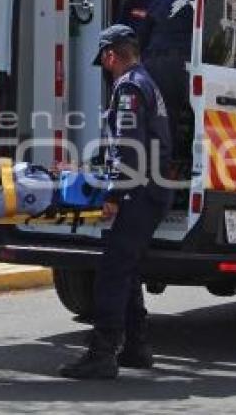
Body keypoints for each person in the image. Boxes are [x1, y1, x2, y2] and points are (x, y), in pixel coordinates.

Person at [59, 24, 173, 380]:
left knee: (111, 272)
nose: (106, 67)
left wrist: (114, 194)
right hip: (150, 188)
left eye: (105, 60)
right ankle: (136, 347)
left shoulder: (129, 88)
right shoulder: (145, 81)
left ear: (111, 55)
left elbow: (128, 147)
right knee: (127, 268)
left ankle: (102, 354)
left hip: (138, 190)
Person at [137, 0, 195, 163]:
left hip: (158, 63)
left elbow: (143, 32)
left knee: (161, 121)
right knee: (197, 119)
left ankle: (160, 169)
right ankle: (185, 164)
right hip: (188, 65)